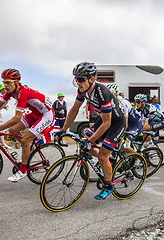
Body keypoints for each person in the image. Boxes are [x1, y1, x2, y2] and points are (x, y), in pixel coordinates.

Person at [56, 62, 126, 200]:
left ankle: (109, 185)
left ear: (92, 79)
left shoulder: (102, 93)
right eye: (76, 79)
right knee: (85, 148)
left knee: (101, 156)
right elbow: (74, 110)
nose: (78, 83)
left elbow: (107, 123)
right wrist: (63, 129)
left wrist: (90, 140)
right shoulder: (82, 91)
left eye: (81, 79)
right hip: (104, 120)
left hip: (116, 123)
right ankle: (109, 159)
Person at [0, 68, 54, 182]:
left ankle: (23, 170)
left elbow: (17, 117)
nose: (5, 85)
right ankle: (27, 149)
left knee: (25, 140)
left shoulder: (23, 93)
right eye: (3, 82)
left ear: (16, 82)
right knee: (12, 130)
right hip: (35, 114)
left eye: (8, 82)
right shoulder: (10, 92)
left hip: (46, 115)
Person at [107, 83, 143, 153]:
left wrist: (120, 135)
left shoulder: (123, 103)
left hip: (136, 125)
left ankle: (139, 157)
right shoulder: (112, 102)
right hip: (128, 124)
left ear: (115, 94)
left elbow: (125, 123)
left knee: (124, 146)